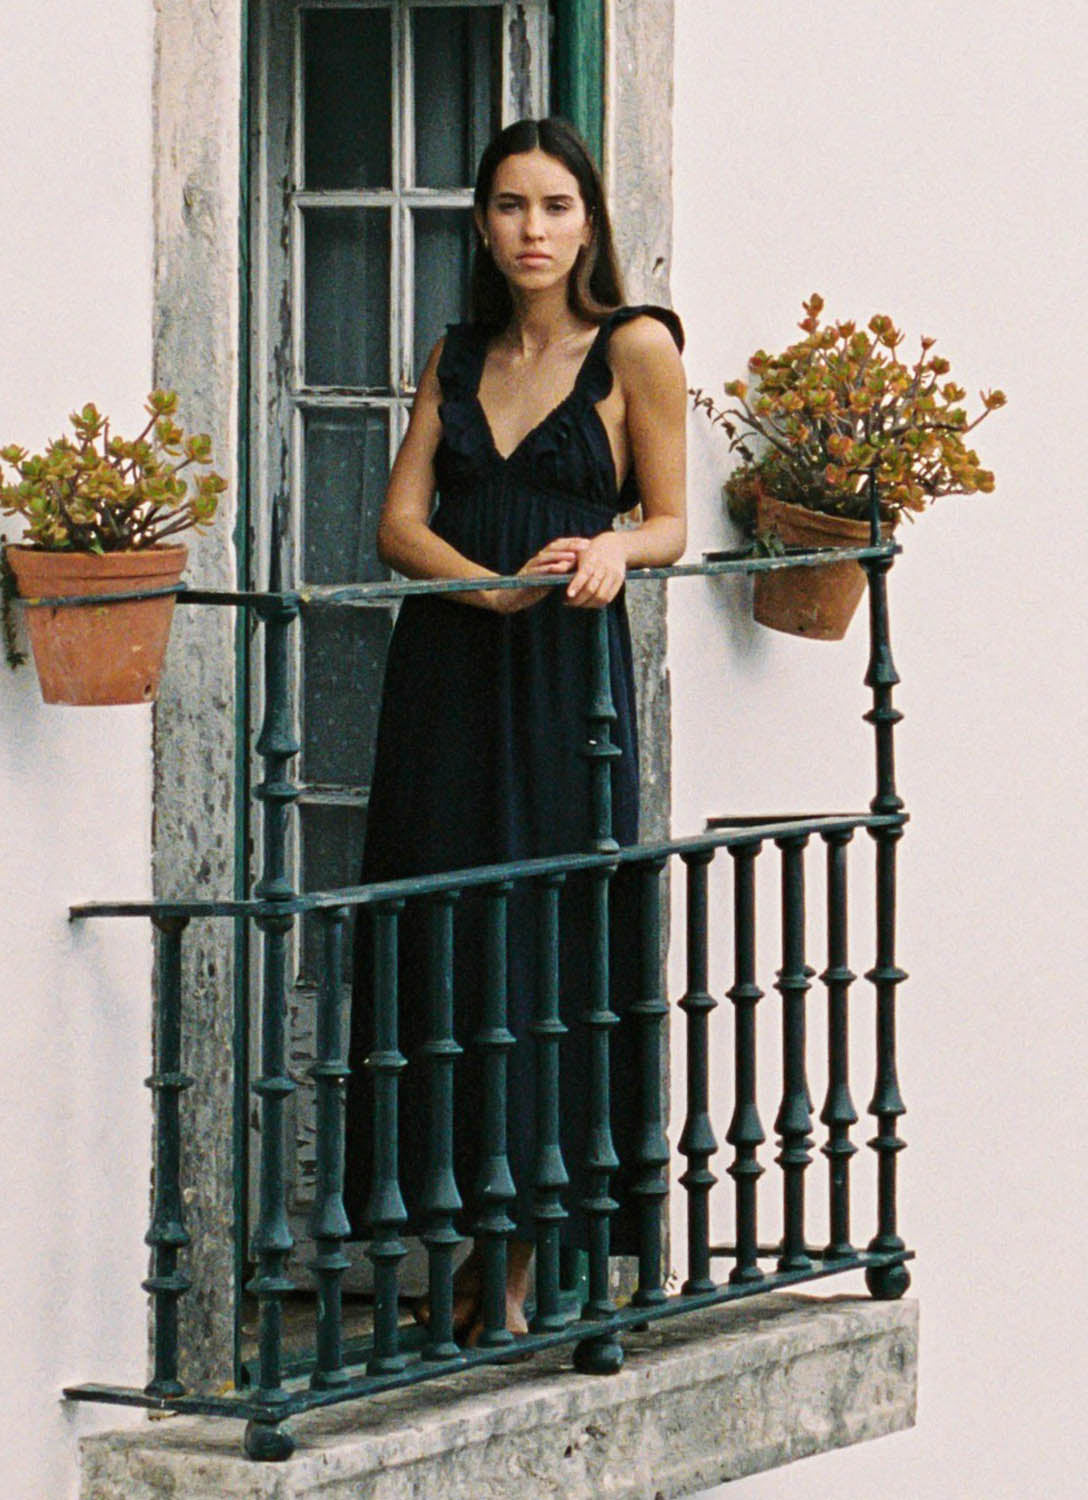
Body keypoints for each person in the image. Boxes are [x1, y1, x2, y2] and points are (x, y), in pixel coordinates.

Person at [344, 116, 687, 1345]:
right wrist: (476, 586)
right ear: (482, 225)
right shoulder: (457, 354)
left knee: (543, 943)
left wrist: (604, 547)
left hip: (560, 687)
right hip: (443, 673)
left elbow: (669, 520)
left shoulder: (636, 347)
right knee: (442, 932)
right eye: (508, 207)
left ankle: (532, 1254)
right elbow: (395, 523)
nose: (532, 230)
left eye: (553, 206)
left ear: (588, 219)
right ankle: (461, 1240)